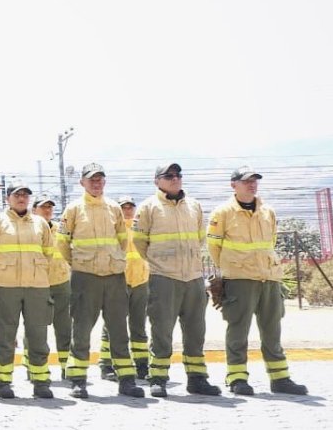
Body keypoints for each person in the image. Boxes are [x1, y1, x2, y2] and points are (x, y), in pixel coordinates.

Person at [207, 167, 308, 396]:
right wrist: (231, 267)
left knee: (272, 330)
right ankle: (237, 378)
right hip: (240, 279)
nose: (252, 184)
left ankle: (280, 379)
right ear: (233, 185)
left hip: (269, 278)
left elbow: (270, 242)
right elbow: (214, 247)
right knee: (238, 330)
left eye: (254, 181)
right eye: (246, 181)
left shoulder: (267, 211)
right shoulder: (222, 213)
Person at [131, 163, 220, 397]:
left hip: (193, 277)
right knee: (162, 331)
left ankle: (197, 379)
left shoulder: (194, 205)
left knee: (195, 331)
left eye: (178, 175)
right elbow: (139, 242)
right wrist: (159, 263)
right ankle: (158, 377)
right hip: (164, 277)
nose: (175, 179)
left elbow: (200, 238)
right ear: (157, 181)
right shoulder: (148, 207)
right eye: (168, 176)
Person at [59, 163, 144, 398]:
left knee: (118, 330)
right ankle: (78, 380)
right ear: (82, 183)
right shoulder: (74, 209)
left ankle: (126, 380)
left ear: (104, 182)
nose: (96, 183)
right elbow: (62, 243)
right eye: (91, 179)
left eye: (99, 179)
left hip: (114, 276)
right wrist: (79, 263)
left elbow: (122, 241)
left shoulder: (114, 208)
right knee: (82, 330)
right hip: (85, 277)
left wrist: (113, 260)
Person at [0, 180, 55, 399]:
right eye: (17, 195)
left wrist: (37, 270)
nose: (21, 198)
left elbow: (48, 252)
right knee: (5, 335)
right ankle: (2, 381)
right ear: (8, 198)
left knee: (38, 335)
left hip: (37, 287)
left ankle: (41, 381)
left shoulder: (40, 223)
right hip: (6, 287)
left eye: (25, 195)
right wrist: (0, 270)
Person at [99, 195, 149, 381]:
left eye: (130, 207)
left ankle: (142, 365)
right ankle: (106, 365)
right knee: (113, 325)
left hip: (140, 282)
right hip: (118, 281)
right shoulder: (112, 228)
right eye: (124, 207)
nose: (127, 210)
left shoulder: (141, 228)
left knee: (139, 326)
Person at [32, 194, 72, 379]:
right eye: (43, 207)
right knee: (36, 329)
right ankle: (35, 367)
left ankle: (66, 366)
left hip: (61, 283)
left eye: (49, 207)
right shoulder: (30, 230)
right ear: (34, 210)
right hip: (38, 285)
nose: (47, 210)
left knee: (64, 328)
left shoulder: (60, 229)